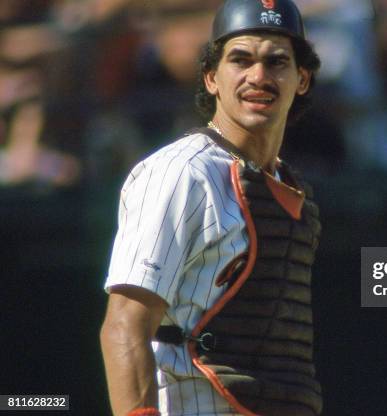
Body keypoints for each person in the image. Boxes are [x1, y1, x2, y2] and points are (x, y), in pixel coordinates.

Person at [99, 0, 322, 415]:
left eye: (277, 62)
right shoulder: (182, 172)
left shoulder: (289, 187)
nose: (259, 76)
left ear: (302, 79)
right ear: (211, 78)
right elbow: (124, 324)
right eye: (241, 59)